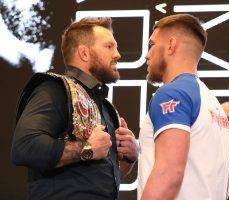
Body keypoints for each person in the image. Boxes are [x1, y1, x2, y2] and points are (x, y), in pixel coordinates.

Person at [11, 17, 138, 200]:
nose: (117, 54)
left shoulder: (106, 107)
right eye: (109, 46)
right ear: (84, 53)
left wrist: (129, 157)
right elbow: (24, 148)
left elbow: (97, 179)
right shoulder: (54, 89)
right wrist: (87, 148)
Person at [137, 14, 229, 200]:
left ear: (171, 45)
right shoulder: (212, 102)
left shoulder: (172, 93)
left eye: (152, 44)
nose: (147, 55)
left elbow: (168, 175)